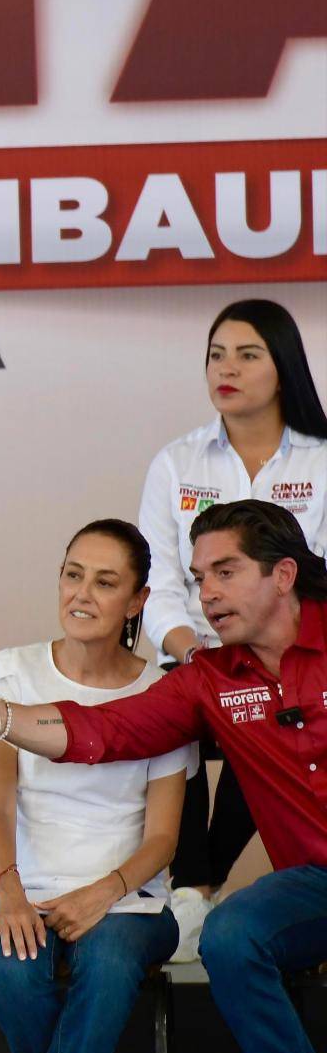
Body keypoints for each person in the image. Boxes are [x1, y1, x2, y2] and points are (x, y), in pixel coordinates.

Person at [0, 499, 327, 1053]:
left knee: (130, 951)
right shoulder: (205, 681)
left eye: (225, 572)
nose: (206, 595)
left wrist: (110, 890)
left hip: (129, 901)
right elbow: (109, 728)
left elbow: (157, 829)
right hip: (314, 882)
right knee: (229, 934)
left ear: (284, 576)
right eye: (199, 578)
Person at [0, 520, 188, 1053]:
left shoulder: (163, 692)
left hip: (129, 896)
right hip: (19, 882)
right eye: (72, 574)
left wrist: (104, 892)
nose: (82, 593)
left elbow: (164, 838)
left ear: (138, 600)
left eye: (105, 581)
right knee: (12, 966)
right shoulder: (12, 670)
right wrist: (10, 892)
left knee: (111, 962)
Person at [138, 298, 327, 962]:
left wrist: (260, 649)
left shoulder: (321, 460)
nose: (228, 368)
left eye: (248, 354)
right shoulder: (176, 462)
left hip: (295, 658)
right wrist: (189, 649)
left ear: (285, 367)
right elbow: (159, 578)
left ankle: (202, 884)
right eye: (216, 354)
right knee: (184, 707)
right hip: (191, 654)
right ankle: (189, 889)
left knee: (263, 706)